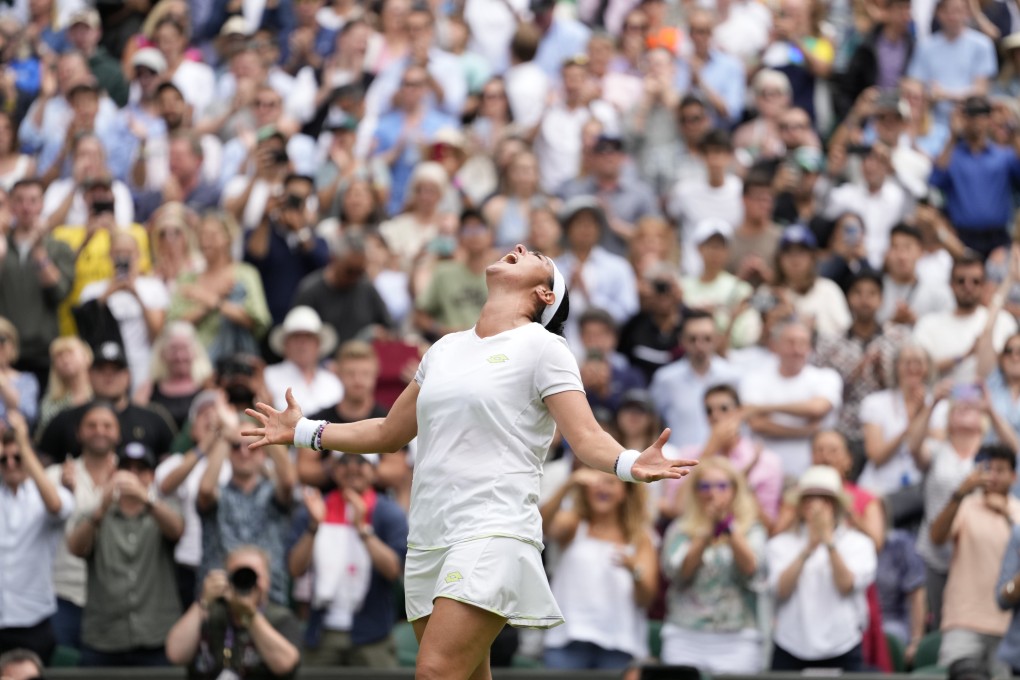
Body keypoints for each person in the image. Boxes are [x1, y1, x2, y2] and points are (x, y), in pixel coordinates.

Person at [243, 243, 695, 679]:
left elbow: (587, 437)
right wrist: (303, 431)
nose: (518, 246)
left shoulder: (545, 348)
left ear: (545, 295)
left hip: (493, 529)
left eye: (536, 256)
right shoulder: (444, 348)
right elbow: (387, 432)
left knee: (436, 672)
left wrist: (629, 462)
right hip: (429, 537)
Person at [67, 442, 184, 666]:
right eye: (126, 469)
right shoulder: (96, 511)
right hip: (104, 638)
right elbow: (76, 548)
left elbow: (176, 530)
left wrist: (146, 498)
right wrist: (100, 509)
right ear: (113, 473)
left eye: (141, 470)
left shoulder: (163, 508)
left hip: (156, 636)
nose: (133, 476)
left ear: (151, 476)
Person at [288, 454, 409, 667]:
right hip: (322, 632)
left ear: (373, 470)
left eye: (361, 462)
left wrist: (363, 529)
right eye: (344, 462)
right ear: (334, 470)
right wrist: (314, 527)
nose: (352, 468)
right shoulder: (315, 508)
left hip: (373, 635)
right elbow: (295, 568)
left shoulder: (388, 513)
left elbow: (393, 570)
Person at [540, 467, 657, 670]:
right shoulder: (575, 524)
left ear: (624, 492)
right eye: (597, 482)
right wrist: (568, 484)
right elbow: (540, 527)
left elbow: (646, 598)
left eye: (610, 483)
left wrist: (633, 569)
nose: (603, 488)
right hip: (569, 638)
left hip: (619, 642)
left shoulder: (640, 537)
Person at [660, 456, 767, 673]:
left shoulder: (751, 529)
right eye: (705, 486)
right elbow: (680, 574)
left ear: (734, 490)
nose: (713, 493)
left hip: (737, 639)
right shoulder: (680, 530)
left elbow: (751, 569)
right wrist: (706, 531)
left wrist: (728, 527)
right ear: (695, 491)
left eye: (721, 486)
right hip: (685, 636)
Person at [767, 465, 877, 671]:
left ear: (836, 505)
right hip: (790, 646)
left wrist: (828, 542)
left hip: (843, 646)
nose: (816, 506)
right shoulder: (779, 544)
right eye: (809, 498)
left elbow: (846, 585)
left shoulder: (860, 543)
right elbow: (781, 590)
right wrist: (808, 548)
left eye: (824, 499)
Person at [932, 444, 1019, 677]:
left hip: (1009, 629)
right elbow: (936, 538)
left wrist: (1007, 515)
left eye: (1001, 470)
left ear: (1014, 476)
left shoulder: (1018, 512)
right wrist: (960, 493)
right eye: (988, 469)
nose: (993, 477)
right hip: (964, 621)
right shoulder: (965, 506)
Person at [0, 411, 74, 664]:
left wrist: (23, 443)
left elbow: (56, 505)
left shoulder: (43, 493)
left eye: (17, 458)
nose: (10, 463)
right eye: (3, 458)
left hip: (33, 620)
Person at [198, 419, 296, 607]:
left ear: (263, 451)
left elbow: (288, 482)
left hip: (269, 598)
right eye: (236, 446)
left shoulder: (272, 493)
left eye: (251, 445)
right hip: (221, 599)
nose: (243, 452)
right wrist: (225, 437)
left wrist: (270, 434)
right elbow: (205, 491)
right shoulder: (219, 494)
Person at [165, 546, 302, 679]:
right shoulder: (210, 613)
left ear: (267, 581)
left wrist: (250, 615)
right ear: (226, 578)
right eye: (239, 574)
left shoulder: (280, 618)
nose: (247, 581)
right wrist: (203, 602)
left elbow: (286, 665)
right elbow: (175, 654)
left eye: (253, 575)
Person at [740, 320, 843, 479]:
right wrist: (804, 431)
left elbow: (817, 408)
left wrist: (763, 408)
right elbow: (756, 423)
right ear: (775, 346)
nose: (797, 350)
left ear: (810, 348)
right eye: (790, 343)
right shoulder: (755, 378)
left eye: (803, 343)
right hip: (764, 472)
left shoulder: (826, 377)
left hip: (810, 472)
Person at [649, 310, 739, 448]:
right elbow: (653, 421)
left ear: (717, 339)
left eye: (707, 338)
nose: (699, 345)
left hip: (723, 463)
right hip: (680, 463)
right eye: (692, 339)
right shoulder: (665, 379)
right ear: (681, 340)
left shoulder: (733, 376)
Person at [264, 306, 341, 414]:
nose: (302, 343)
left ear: (318, 345)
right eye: (296, 337)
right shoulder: (267, 376)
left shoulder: (332, 382)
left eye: (308, 337)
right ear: (285, 344)